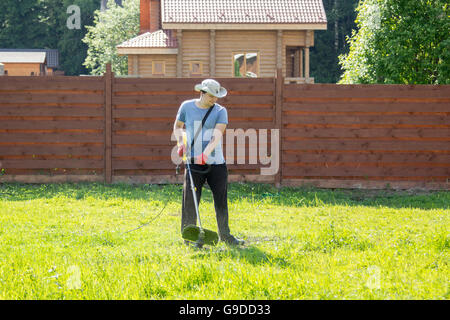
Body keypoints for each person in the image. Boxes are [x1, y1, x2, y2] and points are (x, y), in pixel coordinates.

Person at [173, 79, 244, 246]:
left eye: (217, 96)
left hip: (216, 163)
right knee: (190, 200)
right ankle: (189, 237)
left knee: (221, 199)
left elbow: (217, 135)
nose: (215, 99)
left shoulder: (220, 111)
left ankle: (225, 236)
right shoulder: (186, 106)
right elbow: (177, 126)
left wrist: (205, 154)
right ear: (202, 93)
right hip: (193, 163)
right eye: (211, 96)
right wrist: (180, 142)